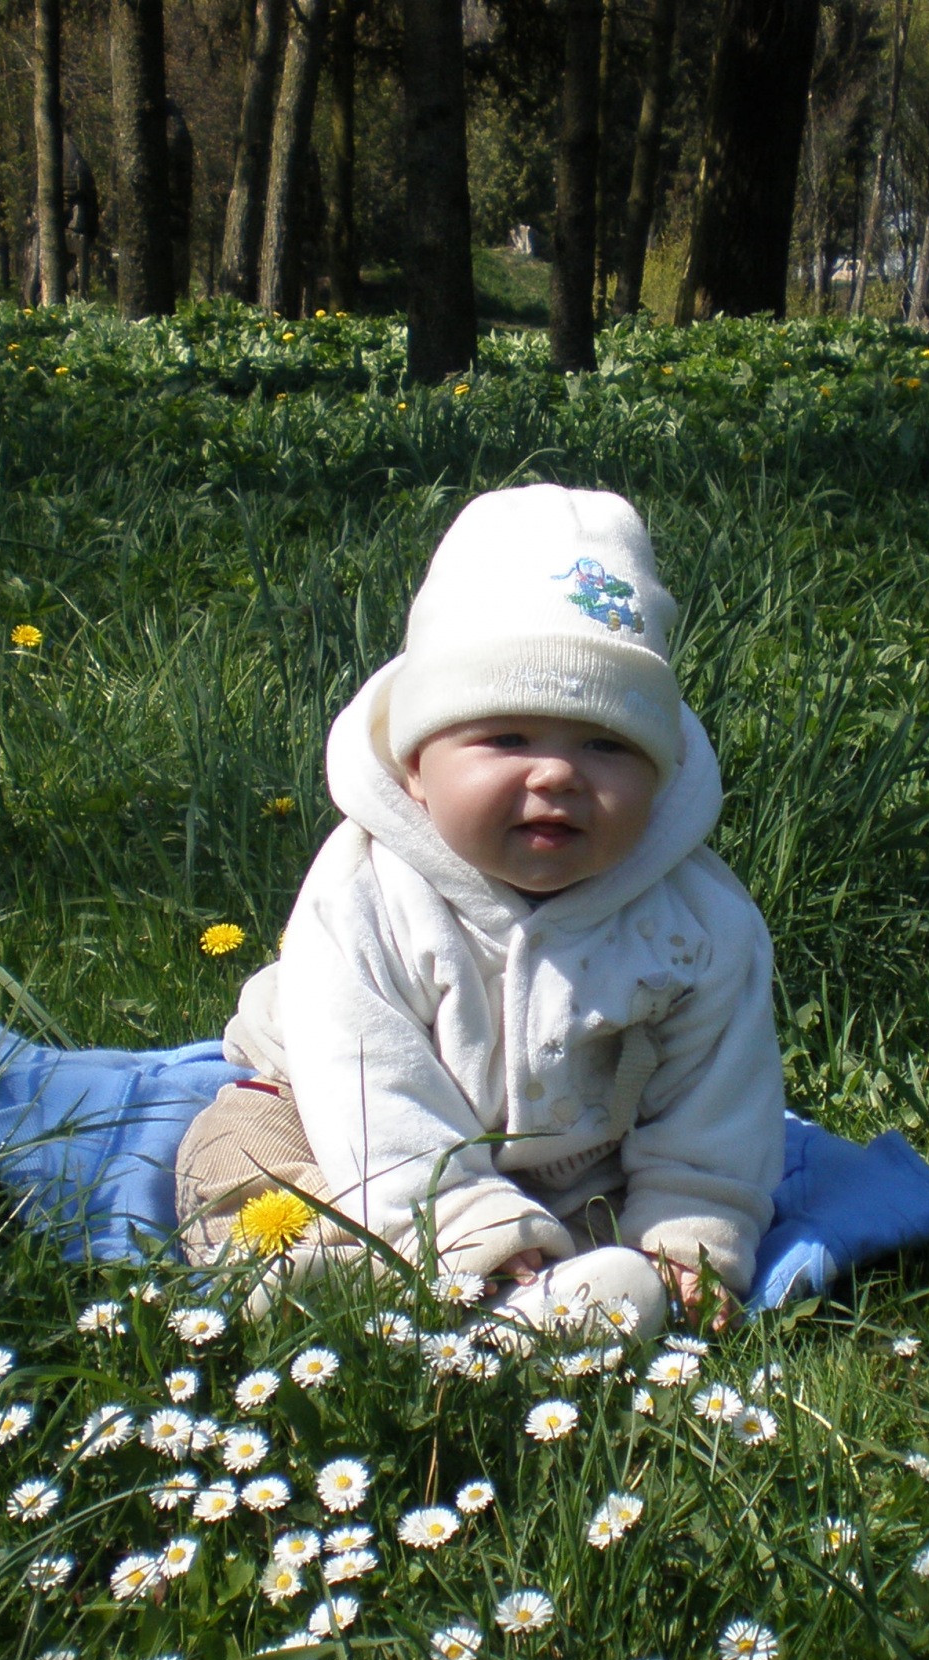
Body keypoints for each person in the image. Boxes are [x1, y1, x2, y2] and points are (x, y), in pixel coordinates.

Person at [175, 484, 784, 1335]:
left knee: (638, 1236)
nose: (557, 774)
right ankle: (333, 1271)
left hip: (579, 1163)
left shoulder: (699, 922)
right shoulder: (364, 891)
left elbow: (720, 1099)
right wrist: (458, 1221)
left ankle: (570, 1300)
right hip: (333, 1125)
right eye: (506, 738)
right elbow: (368, 1084)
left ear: (661, 773)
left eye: (606, 744)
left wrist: (692, 1229)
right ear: (415, 765)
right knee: (240, 1162)